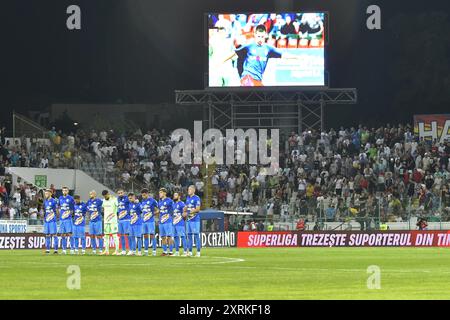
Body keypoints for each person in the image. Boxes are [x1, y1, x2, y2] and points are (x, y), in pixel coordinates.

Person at [223, 24, 302, 86]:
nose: (260, 39)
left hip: (258, 80)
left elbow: (283, 55)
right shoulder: (249, 46)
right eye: (258, 36)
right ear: (255, 35)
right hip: (247, 78)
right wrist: (222, 61)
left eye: (262, 37)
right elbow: (234, 53)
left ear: (265, 35)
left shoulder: (268, 49)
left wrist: (297, 57)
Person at [101, 190, 120, 255]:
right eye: (104, 196)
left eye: (105, 195)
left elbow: (118, 207)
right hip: (106, 221)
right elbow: (103, 208)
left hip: (113, 221)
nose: (105, 197)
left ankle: (117, 251)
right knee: (106, 236)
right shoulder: (103, 200)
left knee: (115, 235)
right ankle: (106, 251)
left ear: (108, 194)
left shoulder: (114, 199)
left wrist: (116, 216)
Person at [140, 189, 159, 256]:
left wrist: (152, 214)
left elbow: (158, 210)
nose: (143, 196)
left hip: (150, 221)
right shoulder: (142, 201)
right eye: (142, 195)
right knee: (145, 236)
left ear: (147, 194)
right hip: (144, 221)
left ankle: (154, 252)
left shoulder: (152, 200)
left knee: (152, 236)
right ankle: (146, 252)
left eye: (144, 194)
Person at [185, 185, 202, 257]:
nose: (188, 191)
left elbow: (198, 209)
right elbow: (187, 208)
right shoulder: (188, 198)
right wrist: (185, 211)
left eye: (190, 189)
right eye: (188, 189)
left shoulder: (197, 198)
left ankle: (198, 252)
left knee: (196, 235)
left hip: (195, 220)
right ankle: (190, 252)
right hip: (188, 220)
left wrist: (191, 211)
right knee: (189, 236)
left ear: (193, 190)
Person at [58, 186, 75, 255]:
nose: (64, 191)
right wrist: (61, 215)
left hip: (68, 219)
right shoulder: (60, 198)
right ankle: (64, 250)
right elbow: (59, 207)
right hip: (62, 219)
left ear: (68, 191)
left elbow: (72, 209)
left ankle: (72, 249)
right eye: (63, 190)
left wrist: (68, 215)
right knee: (62, 235)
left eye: (66, 190)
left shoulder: (71, 198)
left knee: (70, 234)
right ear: (62, 191)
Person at [158, 188, 174, 256]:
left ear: (165, 193)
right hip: (161, 222)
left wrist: (170, 216)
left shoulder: (169, 200)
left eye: (161, 192)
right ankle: (164, 251)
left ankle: (170, 252)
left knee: (169, 236)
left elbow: (173, 209)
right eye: (159, 193)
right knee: (163, 237)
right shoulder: (159, 202)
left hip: (168, 221)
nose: (160, 194)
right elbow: (160, 211)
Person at [87, 190, 103, 255]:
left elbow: (104, 204)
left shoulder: (99, 201)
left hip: (98, 220)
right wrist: (88, 217)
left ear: (95, 194)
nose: (91, 195)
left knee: (99, 236)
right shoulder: (88, 201)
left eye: (92, 194)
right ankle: (94, 249)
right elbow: (87, 210)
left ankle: (101, 249)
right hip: (91, 221)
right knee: (92, 236)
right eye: (90, 194)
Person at [43, 189, 58, 254]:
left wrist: (56, 217)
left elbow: (57, 210)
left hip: (52, 220)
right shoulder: (45, 201)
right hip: (47, 220)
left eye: (47, 193)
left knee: (54, 235)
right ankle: (48, 250)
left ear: (50, 194)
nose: (45, 195)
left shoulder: (54, 201)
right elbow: (45, 211)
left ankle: (55, 250)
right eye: (45, 193)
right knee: (47, 235)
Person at [172, 192, 187, 256]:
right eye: (174, 195)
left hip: (180, 223)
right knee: (175, 237)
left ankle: (185, 252)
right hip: (174, 223)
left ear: (179, 196)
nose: (174, 196)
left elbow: (185, 212)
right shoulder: (173, 204)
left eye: (175, 195)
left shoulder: (182, 204)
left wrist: (183, 218)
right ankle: (177, 252)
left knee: (183, 237)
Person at [117, 189, 131, 255]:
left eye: (121, 193)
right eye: (119, 193)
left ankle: (131, 250)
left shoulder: (127, 198)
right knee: (121, 235)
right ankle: (123, 250)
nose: (120, 194)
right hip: (120, 220)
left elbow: (132, 201)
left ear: (124, 192)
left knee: (127, 235)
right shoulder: (117, 199)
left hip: (127, 219)